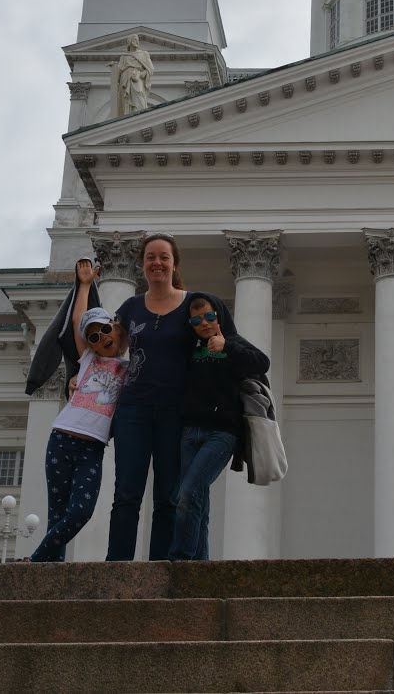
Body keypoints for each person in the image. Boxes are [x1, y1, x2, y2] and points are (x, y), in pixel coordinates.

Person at [105, 234, 240, 560]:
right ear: (142, 264)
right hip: (133, 409)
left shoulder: (192, 304)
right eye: (151, 257)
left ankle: (159, 567)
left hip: (176, 411)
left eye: (163, 257)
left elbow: (225, 339)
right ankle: (117, 568)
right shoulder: (131, 306)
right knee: (126, 494)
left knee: (167, 496)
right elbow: (109, 349)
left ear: (174, 263)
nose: (157, 263)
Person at [170, 295, 270, 560]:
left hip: (222, 433)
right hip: (190, 432)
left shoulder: (233, 342)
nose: (204, 323)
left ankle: (181, 560)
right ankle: (200, 565)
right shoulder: (189, 348)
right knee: (198, 500)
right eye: (196, 319)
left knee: (187, 492)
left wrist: (227, 347)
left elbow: (262, 363)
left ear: (219, 316)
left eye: (209, 316)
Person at [29, 307, 131, 561]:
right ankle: (48, 573)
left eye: (105, 330)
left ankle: (36, 560)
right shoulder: (87, 359)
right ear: (90, 345)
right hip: (62, 438)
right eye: (94, 337)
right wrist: (84, 284)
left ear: (116, 329)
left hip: (92, 448)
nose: (102, 338)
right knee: (57, 513)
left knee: (80, 511)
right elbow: (76, 320)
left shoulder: (129, 368)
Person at [24, 258, 102, 397]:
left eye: (108, 329)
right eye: (95, 336)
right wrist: (84, 287)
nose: (105, 336)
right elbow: (79, 325)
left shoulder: (124, 366)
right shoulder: (91, 362)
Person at [113, 34, 155, 115]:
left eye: (138, 40)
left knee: (140, 98)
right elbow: (118, 72)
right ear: (130, 42)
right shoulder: (124, 57)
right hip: (124, 79)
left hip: (137, 78)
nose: (137, 42)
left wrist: (142, 74)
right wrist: (113, 68)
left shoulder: (144, 54)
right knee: (125, 101)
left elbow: (151, 69)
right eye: (135, 40)